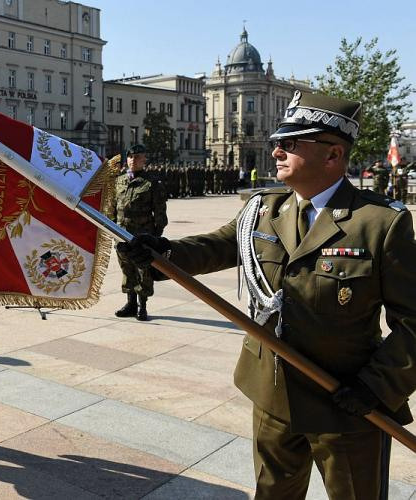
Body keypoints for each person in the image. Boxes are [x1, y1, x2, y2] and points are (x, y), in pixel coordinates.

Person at [122, 91, 416, 500]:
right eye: (278, 140)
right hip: (273, 394)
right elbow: (218, 246)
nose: (275, 150)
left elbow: (412, 324)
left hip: (346, 401)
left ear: (332, 155)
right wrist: (162, 252)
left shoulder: (380, 222)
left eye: (291, 143)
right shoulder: (263, 208)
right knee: (274, 494)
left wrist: (377, 387)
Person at [106, 144, 167, 321]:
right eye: (131, 157)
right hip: (121, 234)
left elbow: (160, 213)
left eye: (137, 157)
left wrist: (155, 237)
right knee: (127, 270)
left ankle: (142, 305)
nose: (133, 160)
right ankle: (131, 304)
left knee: (143, 270)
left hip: (142, 237)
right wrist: (111, 228)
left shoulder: (152, 183)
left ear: (144, 160)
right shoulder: (119, 181)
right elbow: (112, 207)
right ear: (127, 159)